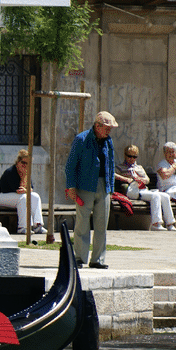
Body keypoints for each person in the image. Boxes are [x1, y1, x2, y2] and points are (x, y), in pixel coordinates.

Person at [65, 111, 117, 269]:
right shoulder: (81, 139)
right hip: (85, 186)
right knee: (82, 224)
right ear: (97, 126)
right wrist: (70, 187)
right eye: (107, 128)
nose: (109, 131)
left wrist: (111, 188)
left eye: (110, 128)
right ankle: (80, 258)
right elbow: (70, 165)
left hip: (104, 186)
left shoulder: (109, 141)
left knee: (102, 225)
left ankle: (98, 260)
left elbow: (111, 164)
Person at [114, 144, 176, 231]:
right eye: (129, 156)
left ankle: (170, 223)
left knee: (165, 196)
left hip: (143, 189)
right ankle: (156, 223)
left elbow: (147, 180)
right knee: (155, 196)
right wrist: (126, 179)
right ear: (125, 155)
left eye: (134, 157)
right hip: (132, 191)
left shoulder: (139, 168)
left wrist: (140, 179)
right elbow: (112, 174)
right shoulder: (120, 167)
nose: (132, 159)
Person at [0, 149, 47, 235]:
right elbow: (19, 190)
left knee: (35, 196)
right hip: (2, 196)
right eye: (23, 163)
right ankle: (23, 227)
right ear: (18, 162)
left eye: (27, 163)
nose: (25, 165)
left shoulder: (27, 172)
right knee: (23, 198)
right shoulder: (11, 172)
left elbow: (30, 189)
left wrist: (25, 179)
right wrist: (24, 176)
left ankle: (38, 225)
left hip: (16, 197)